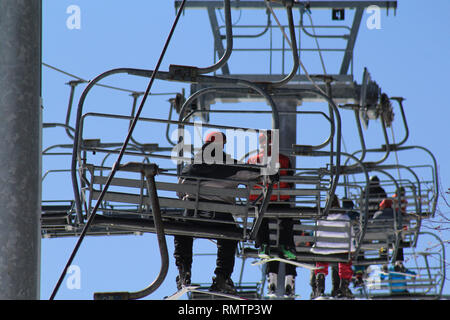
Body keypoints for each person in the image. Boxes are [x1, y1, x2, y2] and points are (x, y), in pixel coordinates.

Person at [173, 131, 262, 294]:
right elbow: (254, 174)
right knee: (230, 236)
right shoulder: (231, 165)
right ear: (222, 145)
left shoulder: (191, 166)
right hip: (221, 218)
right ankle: (222, 277)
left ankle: (184, 272)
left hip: (193, 216)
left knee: (181, 231)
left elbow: (179, 191)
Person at [247, 130, 297, 297]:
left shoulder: (253, 159)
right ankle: (286, 245)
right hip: (280, 200)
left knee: (261, 218)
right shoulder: (283, 159)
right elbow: (290, 178)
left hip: (261, 201)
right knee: (287, 219)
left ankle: (264, 245)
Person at [311, 195, 356, 299]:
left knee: (321, 257)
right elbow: (352, 234)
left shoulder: (321, 217)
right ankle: (343, 287)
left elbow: (316, 235)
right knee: (346, 259)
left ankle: (320, 283)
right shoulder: (345, 218)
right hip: (342, 250)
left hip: (324, 251)